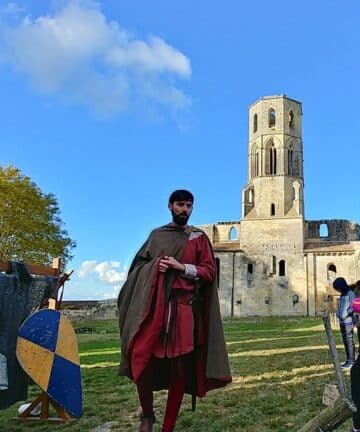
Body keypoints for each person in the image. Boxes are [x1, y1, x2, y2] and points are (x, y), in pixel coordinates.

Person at [117, 189, 232, 432]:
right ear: (170, 206)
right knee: (142, 359)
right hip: (154, 308)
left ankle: (168, 425)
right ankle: (147, 415)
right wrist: (155, 266)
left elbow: (209, 272)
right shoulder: (157, 236)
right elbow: (136, 268)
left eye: (189, 206)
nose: (185, 210)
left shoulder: (197, 238)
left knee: (180, 367)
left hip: (184, 309)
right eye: (180, 205)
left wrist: (182, 267)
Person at [333, 277, 356, 370]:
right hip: (342, 321)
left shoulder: (351, 293)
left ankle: (351, 361)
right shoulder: (343, 294)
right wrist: (338, 313)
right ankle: (348, 359)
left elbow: (353, 306)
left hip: (348, 321)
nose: (337, 290)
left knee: (349, 340)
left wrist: (347, 313)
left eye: (338, 288)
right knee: (345, 341)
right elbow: (340, 306)